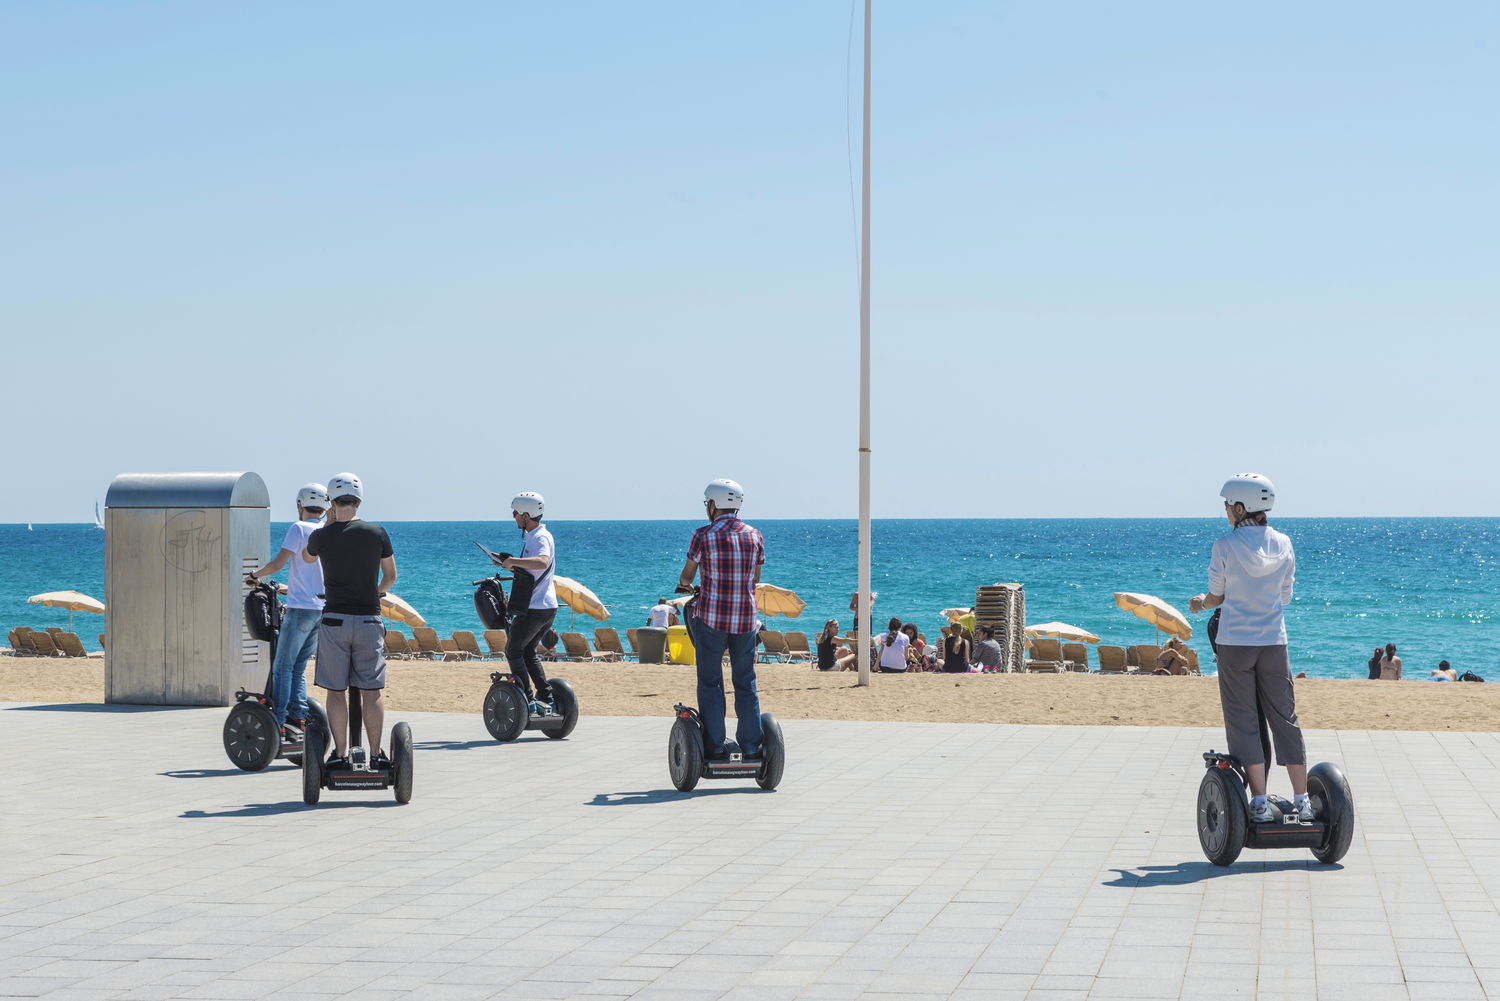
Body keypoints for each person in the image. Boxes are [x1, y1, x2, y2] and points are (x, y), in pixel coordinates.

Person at [1188, 473, 1314, 824]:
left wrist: (1201, 604)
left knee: (1243, 720)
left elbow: (1216, 596)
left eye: (1228, 505)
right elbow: (1285, 596)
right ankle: (1302, 800)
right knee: (1285, 719)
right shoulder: (1285, 544)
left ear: (1240, 507)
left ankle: (1259, 801)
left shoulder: (1224, 546)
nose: (1226, 511)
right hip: (1274, 642)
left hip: (1235, 643)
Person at [303, 473, 395, 768]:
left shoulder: (321, 535)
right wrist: (375, 593)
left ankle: (341, 753)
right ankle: (377, 755)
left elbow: (306, 557)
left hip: (334, 623)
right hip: (369, 620)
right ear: (359, 500)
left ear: (331, 501)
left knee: (335, 690)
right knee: (372, 691)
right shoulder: (377, 532)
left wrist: (328, 524)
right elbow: (391, 576)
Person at [677, 478, 765, 759]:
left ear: (714, 505)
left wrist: (686, 584)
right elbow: (755, 579)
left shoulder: (702, 535)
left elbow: (687, 576)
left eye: (708, 503)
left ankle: (715, 744)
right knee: (745, 681)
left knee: (710, 681)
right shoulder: (755, 536)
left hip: (712, 619)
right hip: (745, 621)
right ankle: (751, 745)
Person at [245, 483, 329, 741]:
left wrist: (253, 575)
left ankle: (279, 721)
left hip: (300, 609)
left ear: (300, 506)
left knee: (282, 666)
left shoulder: (299, 528)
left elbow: (278, 563)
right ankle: (298, 718)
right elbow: (314, 574)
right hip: (320, 610)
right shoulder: (326, 531)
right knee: (298, 667)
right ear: (325, 508)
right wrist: (287, 587)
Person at [492, 492, 558, 713]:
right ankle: (547, 698)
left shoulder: (540, 537)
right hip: (545, 607)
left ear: (526, 515)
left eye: (515, 513)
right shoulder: (534, 536)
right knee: (527, 651)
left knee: (513, 651)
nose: (514, 517)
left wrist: (513, 561)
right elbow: (530, 569)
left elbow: (542, 562)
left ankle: (528, 701)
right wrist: (507, 562)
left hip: (535, 607)